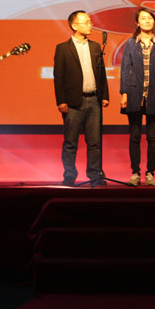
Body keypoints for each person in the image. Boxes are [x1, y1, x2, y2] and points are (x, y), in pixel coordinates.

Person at [53, 10, 109, 187]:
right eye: (86, 22)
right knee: (71, 142)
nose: (90, 24)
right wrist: (61, 100)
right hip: (73, 102)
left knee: (95, 142)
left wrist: (104, 96)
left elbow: (102, 74)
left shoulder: (95, 47)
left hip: (94, 100)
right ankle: (69, 175)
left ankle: (95, 175)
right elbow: (58, 76)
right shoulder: (63, 48)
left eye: (90, 21)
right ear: (74, 25)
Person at [119, 8, 155, 186]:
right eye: (143, 18)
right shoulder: (130, 43)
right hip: (134, 93)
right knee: (134, 136)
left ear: (154, 21)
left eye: (150, 18)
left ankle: (150, 174)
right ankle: (135, 173)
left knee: (152, 137)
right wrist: (124, 93)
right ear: (137, 23)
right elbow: (125, 69)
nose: (147, 21)